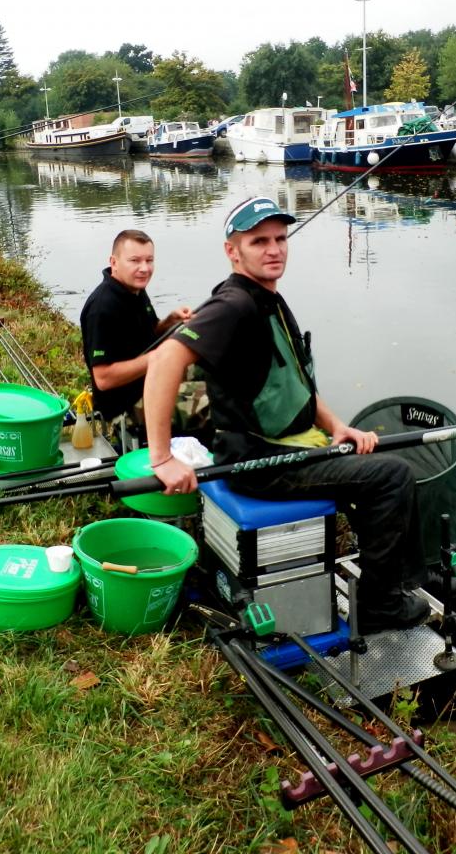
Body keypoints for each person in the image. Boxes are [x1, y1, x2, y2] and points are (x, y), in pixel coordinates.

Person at [142, 196, 429, 634]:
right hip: (262, 463)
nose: (274, 249)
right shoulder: (235, 305)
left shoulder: (267, 299)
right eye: (259, 241)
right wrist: (162, 458)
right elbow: (164, 361)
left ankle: (397, 583)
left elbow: (293, 386)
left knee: (380, 469)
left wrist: (336, 427)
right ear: (232, 251)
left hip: (290, 445)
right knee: (393, 476)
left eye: (280, 238)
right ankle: (381, 605)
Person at [80, 229, 194, 444]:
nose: (144, 268)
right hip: (126, 407)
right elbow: (103, 379)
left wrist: (170, 321)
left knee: (216, 371)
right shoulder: (102, 307)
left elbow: (151, 336)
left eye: (149, 260)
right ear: (114, 262)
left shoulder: (136, 291)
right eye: (135, 261)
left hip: (152, 380)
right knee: (215, 402)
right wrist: (156, 359)